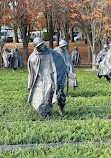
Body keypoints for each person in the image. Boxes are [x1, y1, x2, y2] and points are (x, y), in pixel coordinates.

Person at [28, 37, 68, 117]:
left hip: (54, 78)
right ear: (36, 47)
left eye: (43, 44)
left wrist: (61, 75)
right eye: (40, 45)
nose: (42, 46)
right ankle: (47, 112)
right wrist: (30, 84)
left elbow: (60, 62)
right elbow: (31, 73)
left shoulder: (52, 53)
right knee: (44, 96)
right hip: (42, 80)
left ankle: (61, 109)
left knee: (60, 95)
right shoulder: (33, 58)